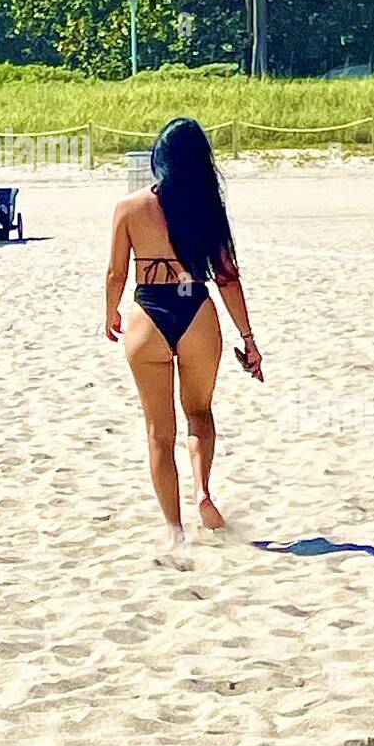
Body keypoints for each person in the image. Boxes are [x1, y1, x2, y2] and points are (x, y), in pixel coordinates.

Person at [105, 118, 262, 547]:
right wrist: (248, 340)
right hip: (195, 310)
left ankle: (174, 531)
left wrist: (110, 314)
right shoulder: (208, 208)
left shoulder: (130, 207)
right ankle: (203, 491)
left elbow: (117, 271)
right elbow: (228, 278)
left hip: (148, 314)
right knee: (199, 413)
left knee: (159, 433)